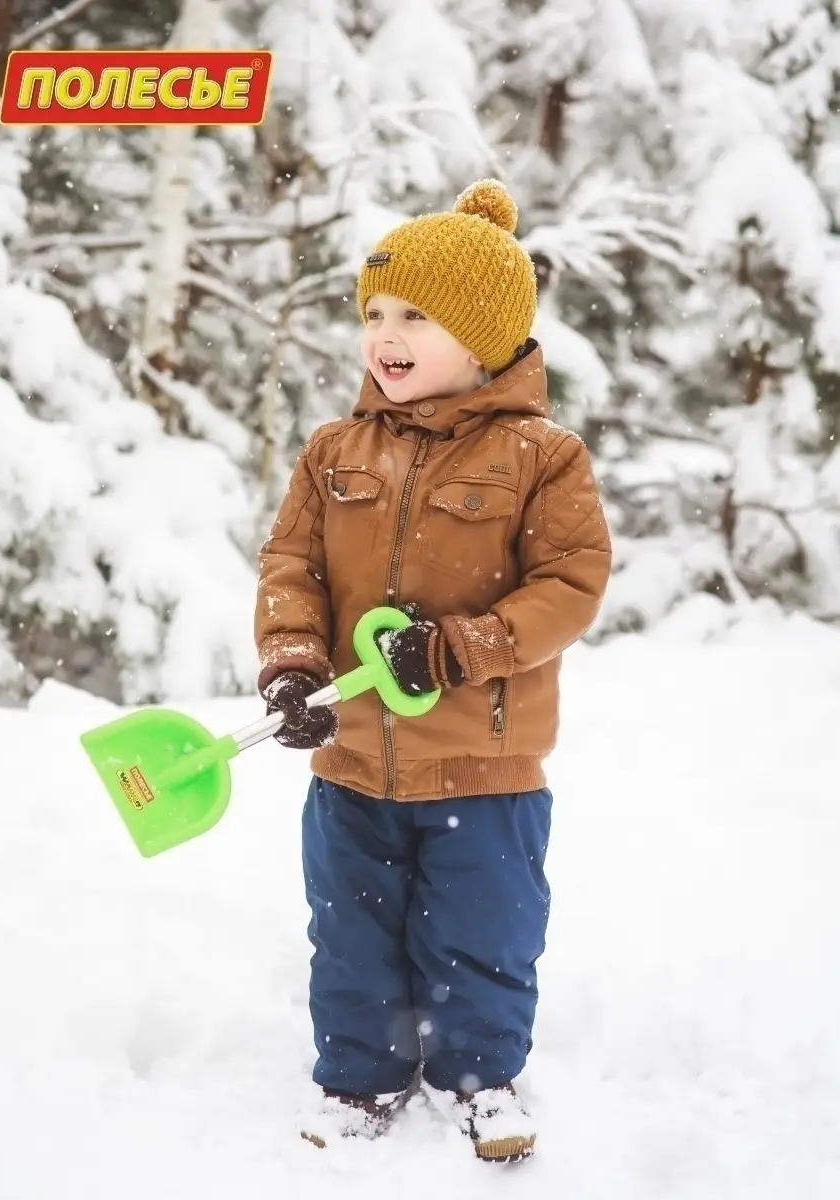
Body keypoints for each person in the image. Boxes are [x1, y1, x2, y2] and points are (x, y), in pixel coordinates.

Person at [254, 178, 612, 1162]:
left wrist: (461, 647)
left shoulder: (543, 456)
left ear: (484, 335)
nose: (386, 333)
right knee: (352, 933)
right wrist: (291, 663)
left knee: (481, 934)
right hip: (353, 762)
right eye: (375, 313)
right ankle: (359, 1081)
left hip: (485, 769)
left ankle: (479, 1079)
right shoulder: (336, 449)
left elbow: (571, 583)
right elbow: (294, 568)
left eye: (415, 313)